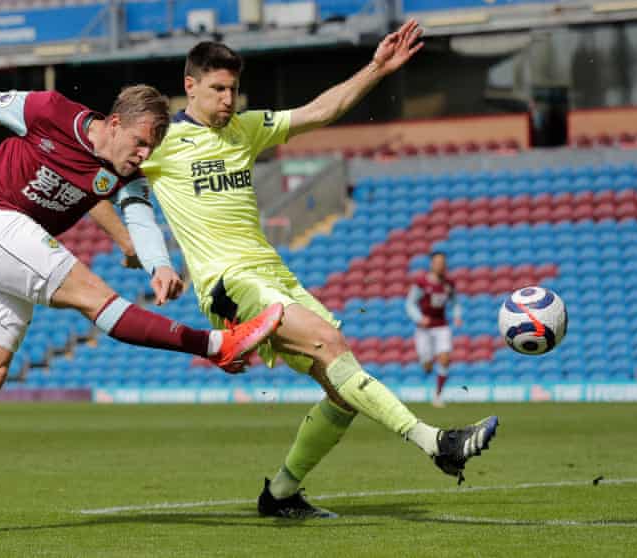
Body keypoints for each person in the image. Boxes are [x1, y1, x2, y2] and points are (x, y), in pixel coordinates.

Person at [0, 84, 284, 536]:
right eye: (140, 141)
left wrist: (159, 264)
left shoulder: (126, 173)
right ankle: (215, 345)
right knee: (94, 295)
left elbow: (139, 216)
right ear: (114, 124)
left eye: (152, 146)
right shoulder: (50, 111)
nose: (144, 153)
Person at [136, 20, 498, 518]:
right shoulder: (163, 143)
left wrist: (377, 68)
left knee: (341, 389)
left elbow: (321, 111)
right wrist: (144, 251)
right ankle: (437, 442)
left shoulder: (245, 129)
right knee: (332, 345)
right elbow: (106, 177)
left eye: (233, 90)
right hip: (228, 284)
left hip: (275, 275)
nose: (227, 99)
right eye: (217, 89)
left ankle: (281, 493)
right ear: (190, 85)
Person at [406, 251, 462, 408]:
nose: (440, 265)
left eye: (442, 262)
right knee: (427, 365)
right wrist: (419, 318)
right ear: (432, 264)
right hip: (423, 329)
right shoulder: (421, 283)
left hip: (442, 325)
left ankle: (438, 396)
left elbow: (455, 302)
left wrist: (457, 315)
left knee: (445, 358)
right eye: (437, 262)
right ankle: (427, 365)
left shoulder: (449, 284)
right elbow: (410, 303)